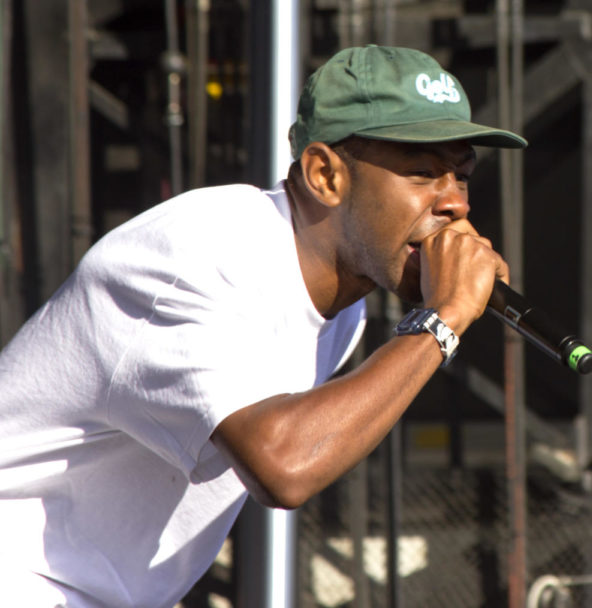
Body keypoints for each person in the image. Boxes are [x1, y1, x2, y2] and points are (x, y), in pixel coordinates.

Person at [0, 45, 526, 607]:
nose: (455, 205)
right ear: (325, 175)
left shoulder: (343, 303)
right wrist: (441, 320)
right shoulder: (198, 259)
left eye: (462, 176)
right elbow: (283, 467)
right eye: (422, 173)